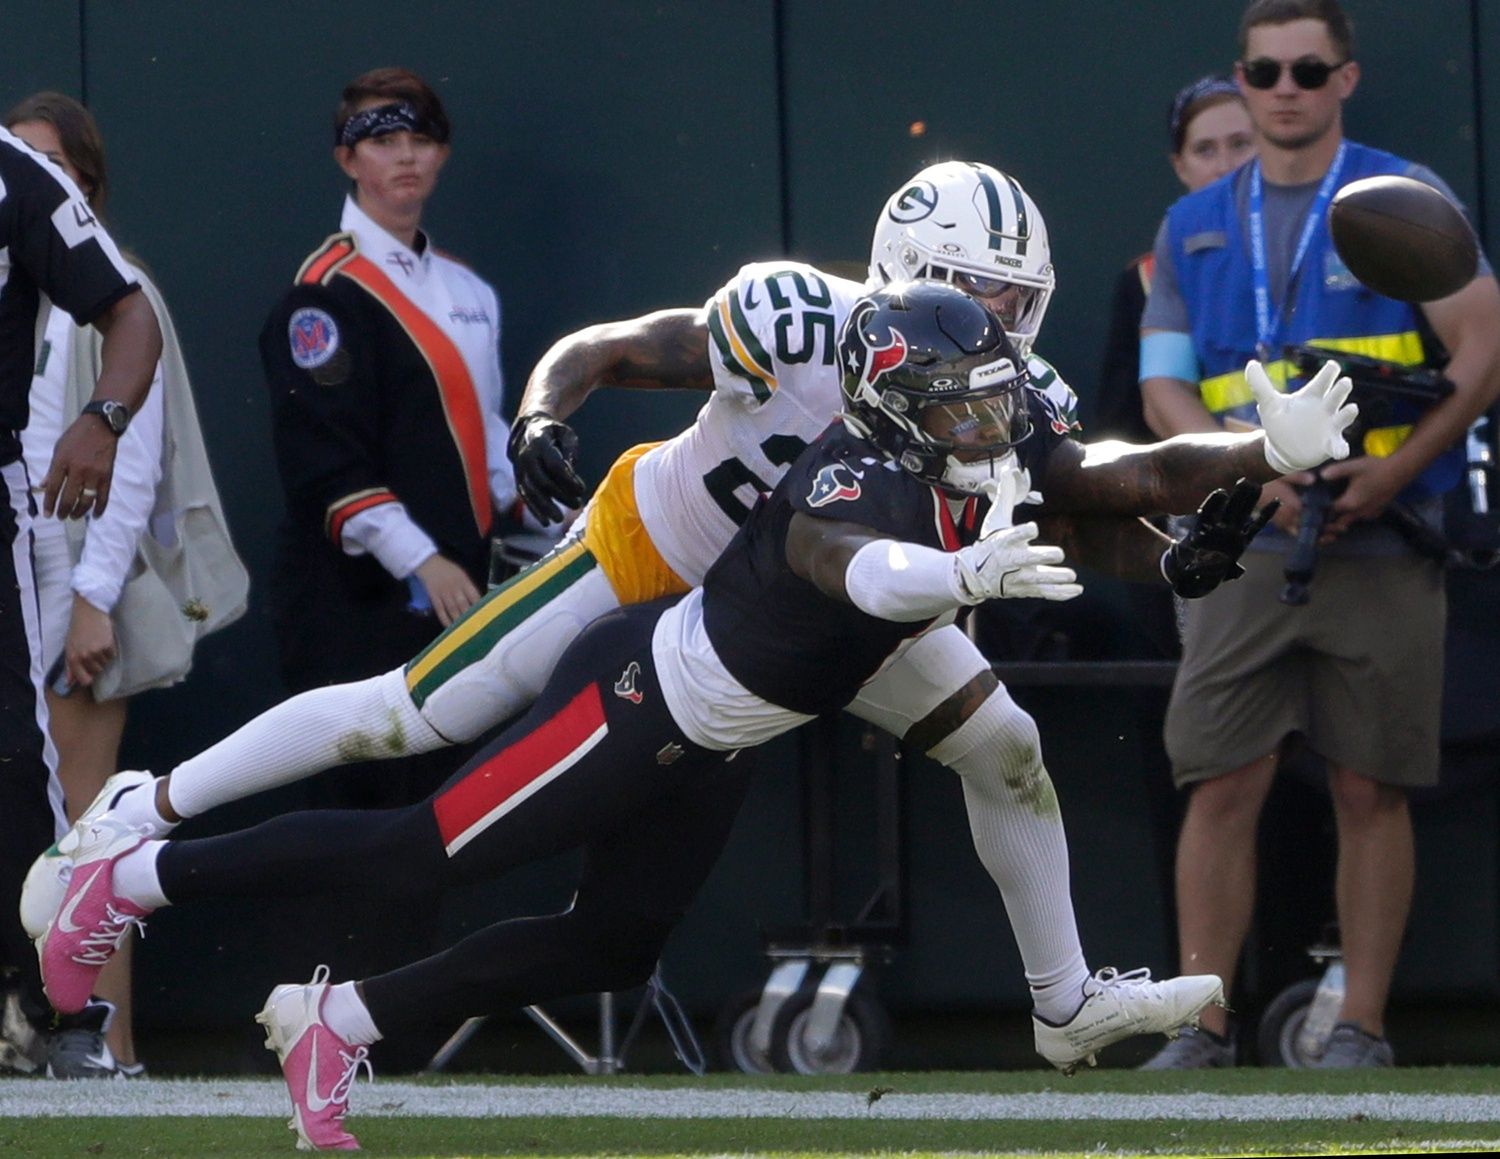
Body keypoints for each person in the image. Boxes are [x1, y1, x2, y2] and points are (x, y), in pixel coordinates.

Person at [27, 159, 1354, 1077]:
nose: (1000, 327)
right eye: (978, 295)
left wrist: (1178, 532)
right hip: (659, 554)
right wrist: (546, 414)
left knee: (1002, 738)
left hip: (824, 597)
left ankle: (1063, 1001)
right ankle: (150, 804)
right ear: (903, 272)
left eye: (1016, 303)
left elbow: (1087, 484)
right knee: (408, 713)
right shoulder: (799, 314)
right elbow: (611, 347)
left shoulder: (1000, 380)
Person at [1138, 0, 1500, 1069]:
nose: (1285, 89)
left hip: (1385, 536)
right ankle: (1200, 1030)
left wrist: (1387, 474)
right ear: (1241, 82)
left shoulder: (1406, 197)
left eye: (1308, 69)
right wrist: (1252, 476)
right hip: (1245, 541)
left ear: (1345, 78)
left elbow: (1482, 351)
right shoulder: (1196, 222)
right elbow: (1164, 391)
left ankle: (1362, 1027)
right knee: (1220, 779)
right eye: (1265, 71)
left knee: (1370, 784)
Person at [5, 92, 249, 1080]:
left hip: (57, 557)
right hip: (43, 547)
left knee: (58, 799)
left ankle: (85, 1026)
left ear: (84, 183)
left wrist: (95, 592)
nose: (39, 166)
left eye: (53, 160)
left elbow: (130, 454)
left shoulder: (84, 262)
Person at [0, 113, 162, 1075]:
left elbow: (128, 310)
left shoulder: (19, 177)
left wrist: (104, 415)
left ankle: (45, 1007)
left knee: (19, 759)